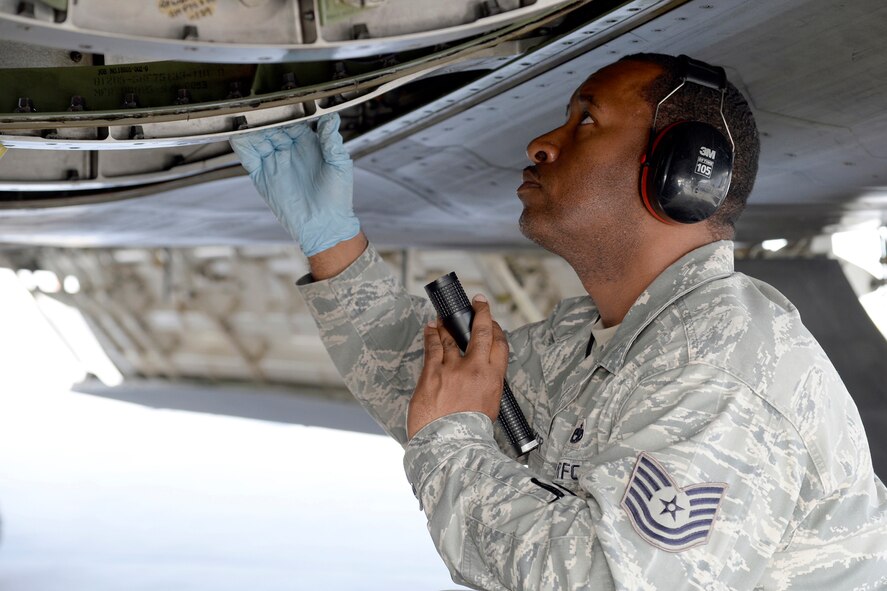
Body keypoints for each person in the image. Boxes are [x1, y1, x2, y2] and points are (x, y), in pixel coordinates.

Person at [230, 53, 887, 589]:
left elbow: (601, 577)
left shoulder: (720, 366)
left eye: (584, 123)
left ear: (679, 175)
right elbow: (429, 395)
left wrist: (451, 442)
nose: (540, 144)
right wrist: (333, 243)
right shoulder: (602, 341)